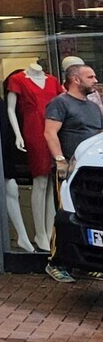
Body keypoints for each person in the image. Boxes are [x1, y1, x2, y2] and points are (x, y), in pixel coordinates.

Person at [43, 63, 103, 282]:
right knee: (64, 214)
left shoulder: (94, 107)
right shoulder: (60, 103)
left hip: (92, 171)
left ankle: (86, 263)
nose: (95, 80)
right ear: (76, 79)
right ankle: (55, 263)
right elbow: (50, 133)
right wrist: (60, 160)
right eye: (90, 76)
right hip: (70, 170)